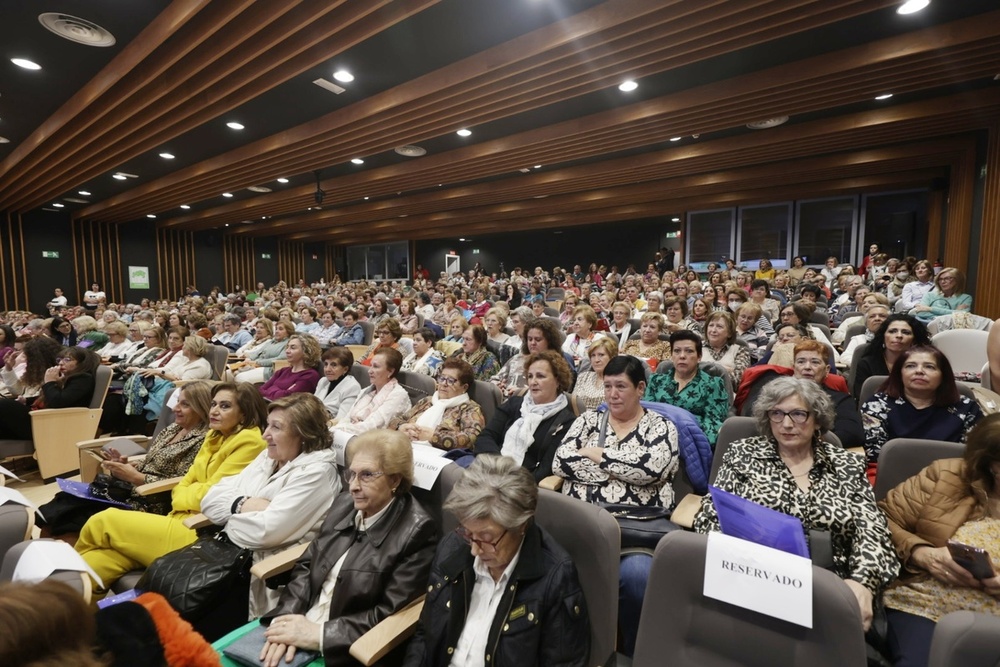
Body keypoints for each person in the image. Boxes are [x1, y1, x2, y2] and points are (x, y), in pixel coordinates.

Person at [694, 377, 898, 632]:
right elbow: (710, 516)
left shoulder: (846, 464)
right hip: (755, 575)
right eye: (777, 414)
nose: (787, 424)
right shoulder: (743, 454)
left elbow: (873, 531)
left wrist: (863, 583)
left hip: (829, 580)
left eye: (799, 414)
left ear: (817, 420)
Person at [224, 429, 438, 667]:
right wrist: (287, 616)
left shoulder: (418, 531)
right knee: (214, 657)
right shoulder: (345, 504)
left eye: (367, 475)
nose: (354, 486)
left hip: (342, 648)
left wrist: (319, 635)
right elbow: (307, 565)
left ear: (395, 480)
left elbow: (389, 614)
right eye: (352, 474)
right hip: (299, 622)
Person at [75, 383, 268, 592]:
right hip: (178, 516)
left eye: (225, 406)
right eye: (213, 404)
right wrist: (186, 493)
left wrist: (183, 494)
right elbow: (187, 481)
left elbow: (212, 495)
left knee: (104, 520)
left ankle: (63, 570)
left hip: (201, 530)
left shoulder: (250, 442)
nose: (214, 411)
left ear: (243, 414)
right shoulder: (215, 435)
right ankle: (61, 612)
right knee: (91, 569)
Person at [403, 454, 590, 667]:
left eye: (487, 538)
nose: (474, 550)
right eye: (468, 533)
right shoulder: (453, 547)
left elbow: (564, 663)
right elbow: (424, 635)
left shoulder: (555, 578)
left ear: (521, 525)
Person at [553, 354, 679, 655]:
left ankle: (632, 654)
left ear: (640, 389)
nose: (612, 394)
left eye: (621, 386)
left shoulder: (661, 426)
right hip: (582, 524)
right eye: (608, 386)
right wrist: (623, 471)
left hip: (636, 531)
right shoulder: (588, 420)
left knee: (638, 576)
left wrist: (599, 455)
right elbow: (561, 462)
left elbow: (653, 470)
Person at [200, 393, 340, 616]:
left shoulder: (318, 473)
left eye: (276, 427)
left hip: (261, 576)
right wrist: (242, 505)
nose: (265, 435)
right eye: (267, 425)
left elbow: (264, 532)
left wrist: (230, 514)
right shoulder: (269, 456)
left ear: (303, 434)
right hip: (225, 557)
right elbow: (209, 499)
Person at [878, 414, 1000, 667]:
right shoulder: (948, 476)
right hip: (927, 606)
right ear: (990, 463)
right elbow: (878, 521)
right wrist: (921, 553)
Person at [38, 382, 213, 534]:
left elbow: (181, 483)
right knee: (61, 501)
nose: (175, 409)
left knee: (70, 517)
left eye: (185, 405)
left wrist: (134, 477)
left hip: (151, 501)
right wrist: (125, 465)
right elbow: (152, 461)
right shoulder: (173, 429)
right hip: (130, 488)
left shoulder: (204, 440)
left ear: (202, 408)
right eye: (177, 402)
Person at [861, 345, 982, 475]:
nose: (919, 371)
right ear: (899, 373)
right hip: (892, 474)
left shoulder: (966, 407)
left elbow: (976, 454)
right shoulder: (878, 404)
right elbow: (874, 454)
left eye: (929, 367)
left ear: (943, 375)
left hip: (952, 477)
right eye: (910, 366)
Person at [476, 350, 577, 481]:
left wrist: (511, 479)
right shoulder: (514, 404)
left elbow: (546, 470)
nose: (533, 382)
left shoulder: (567, 421)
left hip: (522, 485)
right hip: (491, 469)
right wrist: (499, 466)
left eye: (540, 376)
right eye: (530, 376)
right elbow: (485, 437)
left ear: (558, 380)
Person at [644, 330, 729, 446]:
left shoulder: (712, 384)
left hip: (691, 445)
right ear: (671, 355)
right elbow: (646, 416)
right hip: (653, 441)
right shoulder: (656, 381)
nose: (682, 356)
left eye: (689, 351)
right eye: (677, 351)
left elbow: (713, 425)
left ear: (699, 357)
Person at [0, 344, 99, 440]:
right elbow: (53, 397)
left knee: (5, 404)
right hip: (43, 418)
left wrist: (50, 382)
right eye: (59, 360)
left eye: (67, 360)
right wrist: (27, 401)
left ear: (81, 363)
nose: (61, 363)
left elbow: (57, 402)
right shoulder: (65, 377)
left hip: (53, 423)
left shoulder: (83, 378)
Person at [389, 357, 485, 450]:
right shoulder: (427, 401)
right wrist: (401, 427)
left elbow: (471, 439)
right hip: (405, 446)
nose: (444, 383)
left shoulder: (469, 408)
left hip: (437, 458)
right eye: (442, 378)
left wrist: (434, 436)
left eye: (451, 380)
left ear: (464, 387)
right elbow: (396, 420)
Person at [332, 347, 411, 436]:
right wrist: (336, 427)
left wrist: (335, 429)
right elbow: (347, 418)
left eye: (376, 366)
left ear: (391, 371)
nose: (370, 371)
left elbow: (372, 427)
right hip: (349, 435)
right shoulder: (366, 391)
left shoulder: (398, 395)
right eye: (371, 366)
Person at [852, 314, 930, 398]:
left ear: (914, 340)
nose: (899, 336)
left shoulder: (924, 365)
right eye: (892, 331)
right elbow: (861, 398)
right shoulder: (867, 363)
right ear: (883, 336)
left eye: (905, 332)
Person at [259, 334, 322, 401]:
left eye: (293, 348)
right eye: (287, 347)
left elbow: (287, 398)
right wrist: (280, 392)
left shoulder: (310, 375)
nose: (287, 351)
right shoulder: (283, 371)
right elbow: (260, 390)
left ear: (306, 351)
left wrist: (272, 389)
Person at [702, 310, 752, 387]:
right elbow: (688, 376)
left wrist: (704, 369)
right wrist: (724, 369)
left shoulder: (741, 350)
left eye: (719, 326)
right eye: (711, 325)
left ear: (729, 333)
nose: (713, 330)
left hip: (728, 396)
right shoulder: (696, 347)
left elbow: (738, 381)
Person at [313, 346, 361, 420]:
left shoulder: (352, 387)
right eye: (326, 364)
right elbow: (312, 406)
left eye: (334, 365)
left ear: (345, 369)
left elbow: (341, 419)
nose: (327, 369)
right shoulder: (323, 381)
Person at [573, 337, 618, 410]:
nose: (596, 360)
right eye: (593, 356)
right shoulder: (583, 377)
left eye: (601, 355)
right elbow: (573, 404)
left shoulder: (618, 380)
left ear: (612, 357)